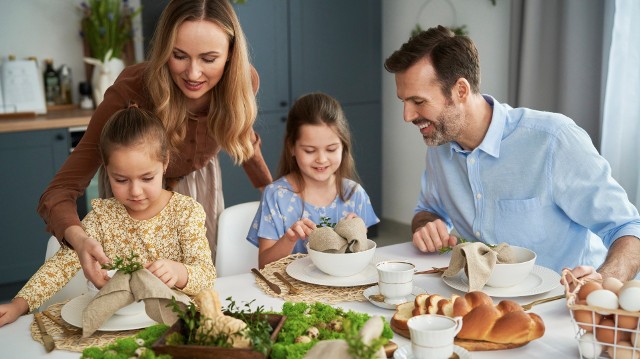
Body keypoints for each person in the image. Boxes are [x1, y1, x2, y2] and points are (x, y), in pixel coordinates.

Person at [37, 0, 272, 289]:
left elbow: (239, 128)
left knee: (191, 286)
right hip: (132, 191)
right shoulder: (133, 88)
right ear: (164, 49)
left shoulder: (243, 79)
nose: (194, 73)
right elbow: (59, 190)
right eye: (179, 56)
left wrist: (271, 191)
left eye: (209, 59)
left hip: (199, 187)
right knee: (131, 292)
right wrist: (80, 239)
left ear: (230, 56)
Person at [384, 26, 640, 282]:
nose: (407, 116)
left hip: (562, 302)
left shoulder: (553, 140)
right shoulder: (440, 144)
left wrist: (605, 282)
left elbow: (627, 228)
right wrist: (426, 226)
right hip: (481, 298)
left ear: (460, 91)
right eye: (403, 102)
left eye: (418, 102)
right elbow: (428, 209)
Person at [0, 105, 216, 327]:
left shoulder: (186, 212)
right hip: (115, 323)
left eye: (147, 178)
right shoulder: (102, 217)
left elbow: (206, 274)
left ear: (165, 163)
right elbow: (60, 266)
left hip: (172, 322)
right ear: (106, 170)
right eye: (121, 180)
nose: (135, 191)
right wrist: (18, 304)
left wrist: (179, 272)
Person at [247, 93, 380, 268]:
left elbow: (364, 259)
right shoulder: (277, 196)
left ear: (343, 146)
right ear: (292, 148)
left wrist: (360, 234)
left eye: (331, 149)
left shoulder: (354, 194)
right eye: (310, 150)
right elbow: (264, 265)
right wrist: (290, 238)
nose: (322, 159)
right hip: (293, 292)